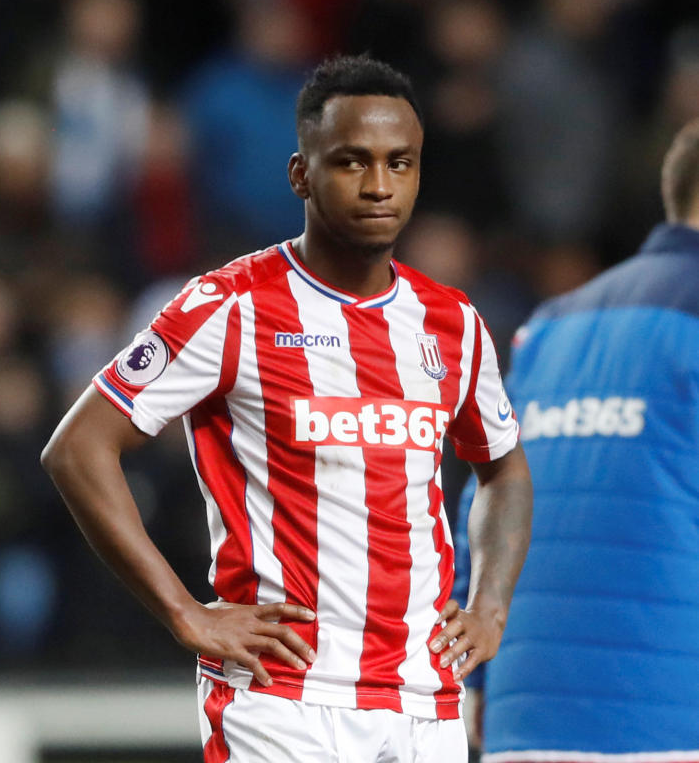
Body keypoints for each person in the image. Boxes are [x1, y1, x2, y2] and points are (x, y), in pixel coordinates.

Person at [41, 55, 533, 762]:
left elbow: (505, 471)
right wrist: (183, 613)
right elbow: (78, 448)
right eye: (351, 162)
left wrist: (489, 605)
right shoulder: (229, 307)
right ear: (302, 174)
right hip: (282, 702)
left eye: (400, 164)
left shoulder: (451, 323)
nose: (377, 186)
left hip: (425, 701)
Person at [455, 119, 699, 761]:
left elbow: (475, 509)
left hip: (522, 723)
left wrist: (476, 681)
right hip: (673, 726)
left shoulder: (550, 326)